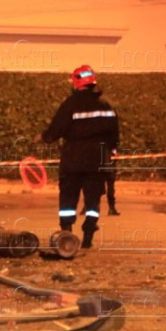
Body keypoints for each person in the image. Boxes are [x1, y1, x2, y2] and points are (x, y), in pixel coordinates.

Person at [39, 65, 119, 250]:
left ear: (76, 82)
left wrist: (44, 138)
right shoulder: (106, 106)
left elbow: (56, 130)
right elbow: (114, 134)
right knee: (93, 200)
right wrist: (111, 150)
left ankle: (66, 235)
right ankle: (89, 234)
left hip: (73, 160)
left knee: (68, 198)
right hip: (96, 160)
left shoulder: (70, 104)